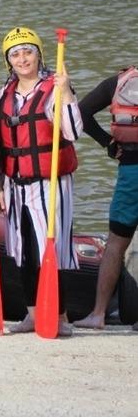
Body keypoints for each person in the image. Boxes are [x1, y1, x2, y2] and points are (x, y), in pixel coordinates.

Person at [0, 27, 82, 337]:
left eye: (28, 51)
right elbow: (3, 143)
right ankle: (32, 315)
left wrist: (68, 91)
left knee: (51, 250)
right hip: (15, 183)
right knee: (24, 252)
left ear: (39, 54)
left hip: (50, 183)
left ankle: (59, 317)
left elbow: (72, 132)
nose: (22, 58)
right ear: (9, 61)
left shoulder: (54, 87)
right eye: (15, 54)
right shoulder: (5, 93)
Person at [73, 66, 138, 331]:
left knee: (115, 243)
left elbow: (81, 112)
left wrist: (107, 144)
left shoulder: (120, 81)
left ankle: (98, 314)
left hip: (131, 171)